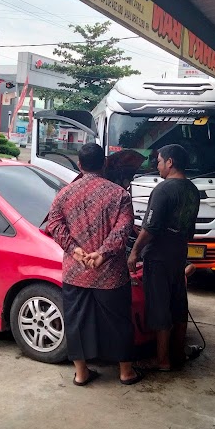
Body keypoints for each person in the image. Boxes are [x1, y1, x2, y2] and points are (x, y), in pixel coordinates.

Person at [45, 143, 142, 386]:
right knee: (119, 321)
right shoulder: (119, 194)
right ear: (105, 163)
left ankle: (81, 373)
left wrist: (75, 251)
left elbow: (54, 225)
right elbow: (124, 228)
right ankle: (126, 372)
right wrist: (102, 254)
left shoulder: (64, 193)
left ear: (79, 164)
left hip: (76, 272)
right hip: (110, 274)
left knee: (76, 320)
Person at [127, 144, 200, 371]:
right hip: (178, 253)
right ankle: (177, 354)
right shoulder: (192, 190)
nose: (157, 166)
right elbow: (186, 228)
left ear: (170, 162)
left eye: (159, 161)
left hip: (158, 256)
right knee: (177, 305)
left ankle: (161, 361)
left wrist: (135, 251)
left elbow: (151, 227)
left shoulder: (163, 190)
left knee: (159, 308)